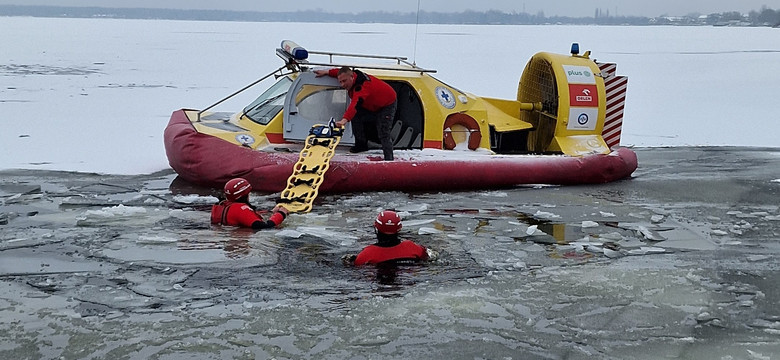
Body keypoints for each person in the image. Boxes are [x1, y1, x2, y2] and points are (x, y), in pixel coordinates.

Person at [314, 66, 397, 161]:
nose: (342, 85)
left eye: (344, 81)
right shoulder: (351, 75)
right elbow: (339, 72)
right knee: (356, 117)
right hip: (371, 103)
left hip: (387, 103)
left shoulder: (362, 87)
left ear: (352, 77)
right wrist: (326, 72)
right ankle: (361, 145)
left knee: (383, 131)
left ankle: (389, 158)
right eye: (340, 82)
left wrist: (343, 121)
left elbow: (355, 105)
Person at [352, 210, 429, 266]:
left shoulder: (366, 254)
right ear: (399, 229)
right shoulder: (413, 247)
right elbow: (427, 256)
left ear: (376, 228)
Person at [211, 177, 289, 229]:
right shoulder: (240, 209)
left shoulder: (221, 205)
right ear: (244, 195)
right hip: (241, 236)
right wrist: (281, 214)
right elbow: (264, 227)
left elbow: (247, 215)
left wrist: (271, 212)